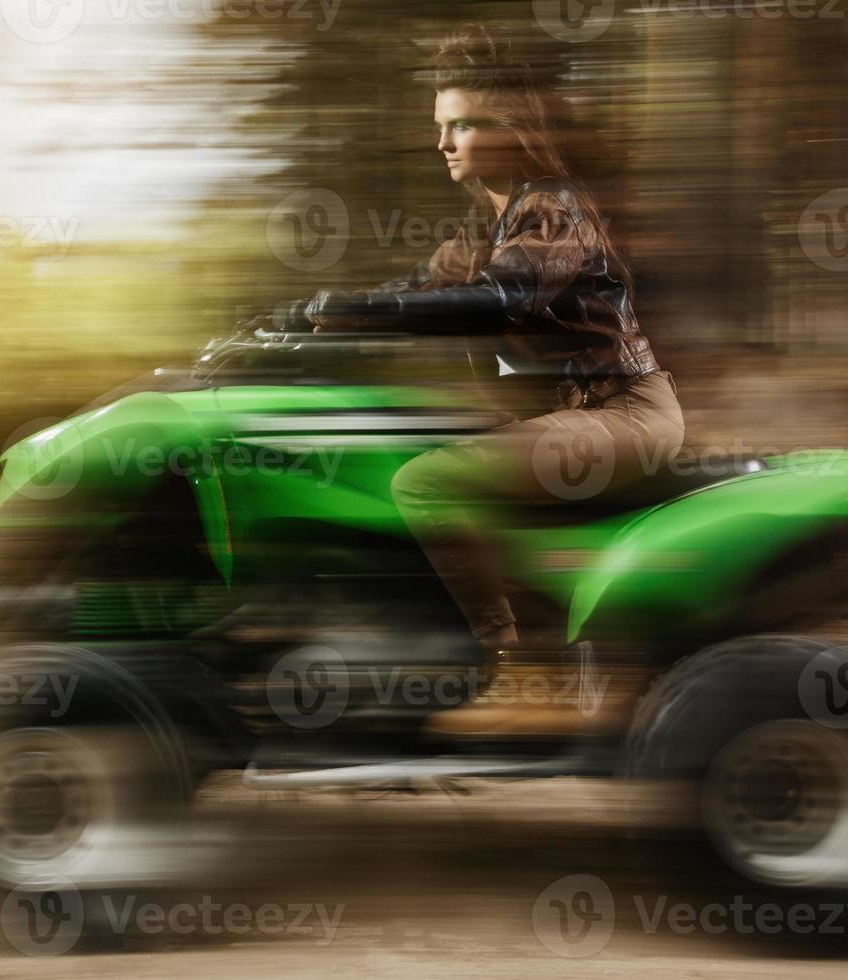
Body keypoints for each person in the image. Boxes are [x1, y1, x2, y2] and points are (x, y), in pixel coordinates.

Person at [282, 25, 685, 725]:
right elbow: (416, 284)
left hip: (626, 416)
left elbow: (497, 297)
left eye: (461, 125)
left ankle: (515, 671)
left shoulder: (556, 213)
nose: (442, 143)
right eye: (441, 126)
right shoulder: (486, 226)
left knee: (426, 481)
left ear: (507, 128)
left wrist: (360, 311)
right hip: (572, 417)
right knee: (393, 449)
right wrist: (299, 317)